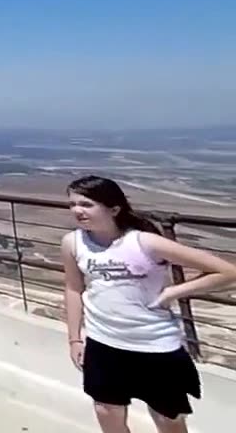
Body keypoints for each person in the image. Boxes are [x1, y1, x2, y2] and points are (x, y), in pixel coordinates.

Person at [61, 175, 236, 433]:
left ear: (114, 209)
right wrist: (75, 339)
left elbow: (226, 271)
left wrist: (173, 292)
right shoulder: (73, 242)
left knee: (168, 418)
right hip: (103, 342)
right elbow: (73, 289)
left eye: (86, 204)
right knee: (106, 411)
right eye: (73, 204)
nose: (77, 210)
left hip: (154, 345)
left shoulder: (145, 242)